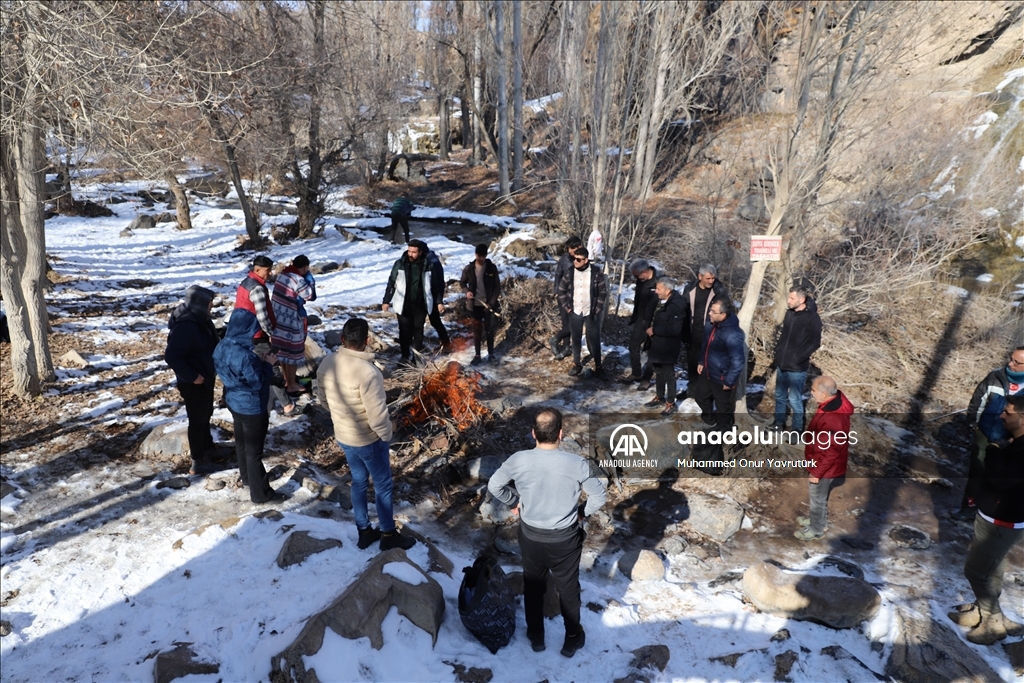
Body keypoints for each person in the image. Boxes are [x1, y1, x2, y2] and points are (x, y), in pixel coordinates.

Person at [487, 408, 607, 658]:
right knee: (568, 589)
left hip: (531, 537)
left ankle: (536, 636)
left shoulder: (518, 459)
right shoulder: (577, 463)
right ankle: (572, 638)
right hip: (565, 539)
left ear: (533, 434)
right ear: (561, 434)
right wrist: (583, 512)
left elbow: (494, 485)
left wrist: (513, 502)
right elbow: (599, 495)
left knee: (533, 586)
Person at [317, 318, 416, 551]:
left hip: (344, 436)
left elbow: (323, 401)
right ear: (367, 341)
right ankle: (388, 535)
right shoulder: (369, 373)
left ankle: (364, 531)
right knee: (382, 485)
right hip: (368, 440)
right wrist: (387, 435)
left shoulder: (327, 362)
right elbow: (377, 417)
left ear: (342, 339)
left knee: (359, 481)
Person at [949, 393, 1024, 645]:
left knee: (976, 572)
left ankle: (992, 623)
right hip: (994, 517)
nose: (1003, 415)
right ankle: (985, 610)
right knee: (992, 569)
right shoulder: (1017, 441)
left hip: (1002, 523)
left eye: (1009, 412)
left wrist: (992, 450)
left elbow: (1000, 480)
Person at [213, 309, 285, 504]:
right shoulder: (245, 356)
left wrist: (257, 364)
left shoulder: (221, 346)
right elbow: (258, 383)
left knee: (242, 443)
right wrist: (268, 364)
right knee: (254, 452)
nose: (254, 334)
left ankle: (247, 478)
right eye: (252, 330)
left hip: (234, 403)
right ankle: (261, 494)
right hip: (252, 407)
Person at [957, 346, 1024, 521]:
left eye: (1017, 362)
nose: (1011, 364)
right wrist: (974, 424)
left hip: (1013, 441)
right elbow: (978, 401)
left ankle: (990, 513)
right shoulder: (996, 376)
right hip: (985, 433)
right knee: (977, 473)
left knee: (1001, 478)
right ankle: (968, 508)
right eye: (1011, 359)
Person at [164, 285, 219, 475]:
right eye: (210, 302)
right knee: (197, 419)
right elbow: (172, 356)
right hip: (194, 381)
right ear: (201, 303)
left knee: (205, 414)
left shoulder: (199, 317)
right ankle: (198, 460)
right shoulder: (186, 325)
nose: (212, 305)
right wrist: (193, 376)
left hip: (204, 377)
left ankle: (207, 447)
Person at [794, 376, 854, 541]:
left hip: (824, 466)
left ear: (823, 393)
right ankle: (817, 519)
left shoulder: (833, 417)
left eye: (813, 390)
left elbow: (832, 450)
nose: (811, 393)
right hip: (821, 460)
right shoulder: (832, 403)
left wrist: (817, 472)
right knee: (818, 497)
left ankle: (816, 528)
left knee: (817, 498)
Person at [382, 239, 450, 363]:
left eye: (414, 252)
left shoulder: (428, 265)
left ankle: (415, 358)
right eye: (409, 251)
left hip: (421, 304)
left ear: (420, 252)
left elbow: (435, 285)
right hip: (403, 304)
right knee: (404, 330)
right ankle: (404, 356)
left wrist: (439, 302)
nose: (411, 254)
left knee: (418, 330)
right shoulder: (400, 264)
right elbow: (391, 282)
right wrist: (386, 300)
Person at [770, 286, 822, 433]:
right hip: (782, 364)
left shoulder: (812, 318)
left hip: (797, 368)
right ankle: (778, 424)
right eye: (789, 297)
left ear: (802, 299)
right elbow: (784, 336)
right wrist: (779, 352)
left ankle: (797, 429)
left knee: (794, 399)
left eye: (792, 298)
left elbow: (815, 342)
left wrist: (797, 357)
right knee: (780, 396)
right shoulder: (789, 313)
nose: (788, 301)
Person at [556, 247, 608, 379]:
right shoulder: (570, 272)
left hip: (591, 312)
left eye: (578, 260)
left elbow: (603, 292)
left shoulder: (596, 272)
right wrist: (567, 308)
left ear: (586, 260)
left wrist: (597, 309)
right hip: (575, 311)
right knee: (576, 339)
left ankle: (599, 366)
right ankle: (576, 364)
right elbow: (561, 290)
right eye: (574, 259)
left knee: (594, 340)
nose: (575, 262)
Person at [693, 297, 745, 429]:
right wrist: (701, 361)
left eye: (713, 311)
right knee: (700, 396)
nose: (709, 313)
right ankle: (709, 420)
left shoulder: (732, 334)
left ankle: (725, 431)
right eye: (710, 310)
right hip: (707, 371)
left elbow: (738, 361)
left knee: (723, 408)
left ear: (723, 315)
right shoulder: (711, 324)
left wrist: (729, 380)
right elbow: (706, 344)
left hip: (722, 377)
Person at [271, 255, 317, 395]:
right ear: (304, 268)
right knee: (292, 354)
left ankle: (287, 380)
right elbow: (309, 295)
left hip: (278, 320)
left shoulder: (282, 275)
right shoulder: (298, 279)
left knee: (283, 353)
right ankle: (291, 384)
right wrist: (309, 279)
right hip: (291, 321)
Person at [682, 264, 729, 398]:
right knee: (692, 363)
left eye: (713, 278)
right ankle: (692, 390)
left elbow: (726, 311)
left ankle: (706, 394)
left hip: (710, 333)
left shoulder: (719, 290)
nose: (711, 281)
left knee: (708, 365)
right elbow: (683, 309)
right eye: (708, 278)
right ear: (700, 277)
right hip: (692, 332)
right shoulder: (690, 288)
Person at [642, 277, 685, 415]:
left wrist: (654, 330)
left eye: (659, 289)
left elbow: (675, 329)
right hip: (657, 343)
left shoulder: (677, 305)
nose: (656, 291)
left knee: (668, 374)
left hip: (668, 346)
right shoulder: (662, 301)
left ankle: (670, 402)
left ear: (668, 290)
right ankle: (659, 397)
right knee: (658, 371)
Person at [460, 244, 501, 365]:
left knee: (489, 330)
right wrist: (467, 292)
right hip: (474, 306)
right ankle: (477, 355)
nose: (480, 258)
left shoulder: (491, 268)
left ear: (486, 256)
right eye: (479, 255)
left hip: (488, 305)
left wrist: (491, 303)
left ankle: (491, 354)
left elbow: (497, 287)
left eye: (483, 256)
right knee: (477, 330)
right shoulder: (469, 268)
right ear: (475, 254)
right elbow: (462, 283)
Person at [550, 236, 583, 360]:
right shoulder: (564, 259)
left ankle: (555, 339)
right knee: (565, 322)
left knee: (574, 323)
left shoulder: (584, 259)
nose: (570, 251)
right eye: (569, 248)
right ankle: (566, 347)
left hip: (578, 297)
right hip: (564, 296)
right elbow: (558, 275)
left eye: (572, 248)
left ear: (579, 246)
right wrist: (556, 291)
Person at [626, 259, 658, 383]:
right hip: (641, 318)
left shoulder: (658, 282)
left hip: (654, 321)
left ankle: (647, 378)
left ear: (644, 272)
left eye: (636, 275)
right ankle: (636, 373)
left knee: (651, 351)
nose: (636, 278)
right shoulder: (641, 281)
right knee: (633, 346)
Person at [234, 255, 276, 345]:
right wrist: (271, 334)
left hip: (244, 330)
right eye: (267, 270)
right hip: (257, 335)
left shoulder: (246, 282)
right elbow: (262, 316)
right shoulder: (257, 288)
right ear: (257, 270)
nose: (270, 273)